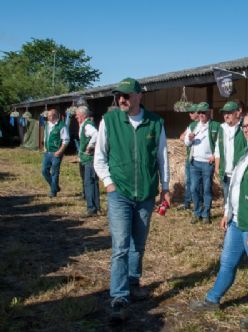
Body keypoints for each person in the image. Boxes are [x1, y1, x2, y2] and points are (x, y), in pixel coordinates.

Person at [189, 109, 248, 330]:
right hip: (236, 220)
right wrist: (227, 212)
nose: (246, 130)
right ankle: (212, 300)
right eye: (244, 127)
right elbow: (235, 186)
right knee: (227, 262)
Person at [94, 77, 170, 322]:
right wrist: (109, 183)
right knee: (120, 246)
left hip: (146, 193)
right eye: (119, 96)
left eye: (126, 95)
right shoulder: (109, 120)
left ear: (139, 96)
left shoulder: (155, 123)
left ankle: (134, 283)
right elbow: (100, 157)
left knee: (139, 243)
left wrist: (165, 188)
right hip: (120, 194)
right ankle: (119, 295)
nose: (122, 99)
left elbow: (162, 158)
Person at [184, 102, 220, 224]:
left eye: (203, 112)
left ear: (209, 112)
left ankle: (206, 214)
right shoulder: (193, 125)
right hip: (194, 162)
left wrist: (214, 156)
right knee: (193, 189)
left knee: (206, 189)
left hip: (207, 163)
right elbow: (186, 143)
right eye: (199, 112)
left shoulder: (216, 126)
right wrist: (189, 138)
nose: (201, 115)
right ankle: (197, 212)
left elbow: (219, 144)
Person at [215, 101, 247, 204]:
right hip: (225, 172)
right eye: (224, 113)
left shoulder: (245, 127)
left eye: (229, 113)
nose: (226, 115)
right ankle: (228, 219)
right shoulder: (222, 128)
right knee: (227, 200)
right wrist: (217, 167)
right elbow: (217, 149)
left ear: (237, 113)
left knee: (239, 200)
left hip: (239, 172)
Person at [75, 105, 100, 216]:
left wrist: (90, 146)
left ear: (82, 115)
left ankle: (92, 208)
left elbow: (96, 134)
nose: (76, 117)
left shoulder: (87, 125)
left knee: (89, 183)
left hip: (90, 159)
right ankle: (95, 207)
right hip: (86, 159)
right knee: (92, 182)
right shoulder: (84, 125)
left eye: (77, 115)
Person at [41, 108, 69, 197]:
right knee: (44, 171)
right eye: (48, 116)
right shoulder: (47, 125)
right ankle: (55, 187)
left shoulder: (61, 125)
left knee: (54, 172)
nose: (48, 117)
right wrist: (45, 148)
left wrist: (60, 151)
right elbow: (46, 137)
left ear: (55, 115)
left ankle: (53, 192)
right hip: (47, 152)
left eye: (50, 115)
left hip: (56, 153)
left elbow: (66, 140)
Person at [179, 103, 199, 210]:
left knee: (195, 183)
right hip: (189, 157)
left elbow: (183, 137)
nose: (189, 114)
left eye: (192, 112)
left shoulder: (199, 125)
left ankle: (196, 204)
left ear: (197, 113)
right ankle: (187, 203)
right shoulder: (191, 125)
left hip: (196, 159)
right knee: (188, 181)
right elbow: (181, 137)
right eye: (189, 112)